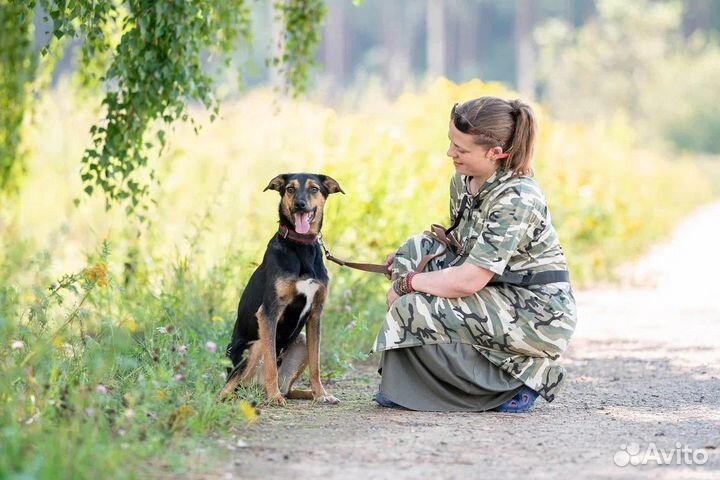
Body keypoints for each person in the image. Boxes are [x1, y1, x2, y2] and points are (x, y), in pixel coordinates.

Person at [372, 96, 577, 413]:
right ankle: (420, 383)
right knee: (411, 252)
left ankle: (518, 380)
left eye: (461, 149)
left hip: (536, 311)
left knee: (412, 308)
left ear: (497, 153)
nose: (450, 153)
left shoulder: (517, 197)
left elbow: (469, 280)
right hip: (497, 289)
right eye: (451, 143)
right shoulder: (463, 182)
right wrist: (405, 263)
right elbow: (461, 247)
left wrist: (409, 283)